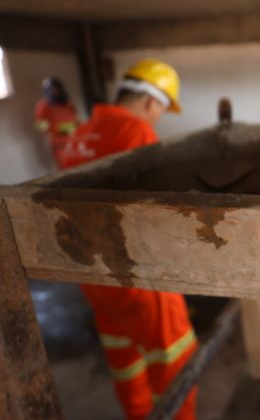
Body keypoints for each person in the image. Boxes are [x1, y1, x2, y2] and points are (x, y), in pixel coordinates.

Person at [64, 58, 198, 420]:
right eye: (160, 111)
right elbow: (153, 211)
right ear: (151, 102)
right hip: (136, 272)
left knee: (125, 358)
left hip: (93, 275)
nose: (156, 119)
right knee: (175, 357)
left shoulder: (79, 135)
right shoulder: (135, 133)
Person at [34, 77, 79, 168]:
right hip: (59, 144)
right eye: (52, 89)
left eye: (57, 88)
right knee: (67, 167)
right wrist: (58, 130)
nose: (55, 91)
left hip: (76, 141)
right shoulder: (43, 106)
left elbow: (76, 118)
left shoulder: (68, 103)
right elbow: (40, 125)